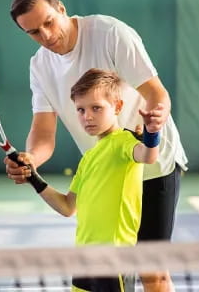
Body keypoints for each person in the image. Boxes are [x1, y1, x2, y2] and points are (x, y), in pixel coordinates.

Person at [4, 0, 188, 292]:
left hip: (154, 164)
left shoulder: (110, 34)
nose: (46, 36)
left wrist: (155, 123)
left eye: (49, 22)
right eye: (34, 32)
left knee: (152, 272)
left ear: (61, 8)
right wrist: (31, 159)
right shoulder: (40, 66)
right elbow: (44, 132)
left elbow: (156, 94)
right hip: (105, 170)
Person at [15, 68, 162, 292]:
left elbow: (148, 156)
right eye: (81, 110)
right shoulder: (88, 158)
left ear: (118, 107)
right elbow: (67, 207)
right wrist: (34, 179)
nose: (88, 116)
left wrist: (152, 134)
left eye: (96, 108)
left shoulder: (124, 141)